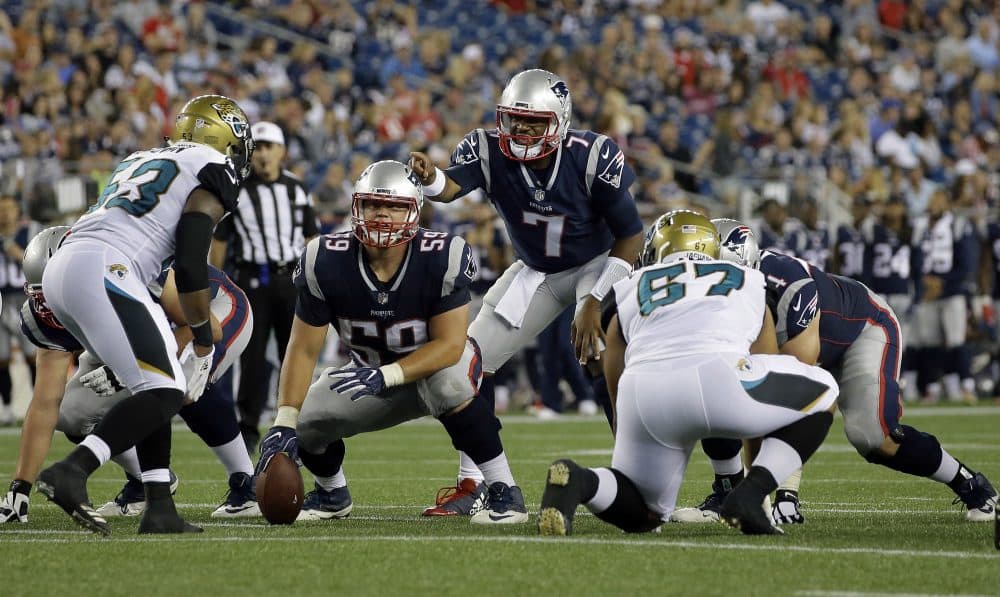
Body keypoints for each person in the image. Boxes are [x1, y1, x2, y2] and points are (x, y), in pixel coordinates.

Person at [408, 68, 643, 515]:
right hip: (535, 271)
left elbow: (631, 235)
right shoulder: (490, 149)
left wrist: (594, 301)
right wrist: (431, 176)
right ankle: (475, 482)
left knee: (601, 358)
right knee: (466, 364)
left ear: (560, 120)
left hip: (596, 265)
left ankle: (634, 475)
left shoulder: (590, 156)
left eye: (534, 121)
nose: (521, 130)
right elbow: (452, 187)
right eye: (515, 119)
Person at [255, 160, 529, 524]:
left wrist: (389, 374)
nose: (382, 215)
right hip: (369, 375)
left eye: (395, 207)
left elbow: (450, 345)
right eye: (372, 204)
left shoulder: (440, 255)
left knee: (449, 380)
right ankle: (331, 493)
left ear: (414, 211)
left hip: (434, 369)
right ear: (356, 207)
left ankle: (504, 490)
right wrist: (284, 421)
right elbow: (303, 348)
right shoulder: (324, 259)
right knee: (305, 417)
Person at [673, 219, 997, 525]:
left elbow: (791, 392)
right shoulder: (733, 293)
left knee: (874, 438)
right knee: (718, 382)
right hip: (808, 346)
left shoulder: (787, 286)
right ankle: (725, 495)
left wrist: (784, 493)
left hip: (862, 330)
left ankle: (973, 486)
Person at [536, 210, 839, 536]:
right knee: (825, 390)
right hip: (721, 380)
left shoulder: (628, 286)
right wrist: (756, 487)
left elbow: (615, 376)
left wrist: (631, 439)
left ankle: (580, 481)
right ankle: (747, 497)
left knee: (645, 512)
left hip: (645, 392)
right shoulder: (748, 278)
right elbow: (763, 364)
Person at [31, 94, 253, 535]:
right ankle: (73, 471)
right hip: (107, 267)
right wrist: (204, 338)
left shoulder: (144, 155)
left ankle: (159, 507)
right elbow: (191, 263)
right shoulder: (213, 167)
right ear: (226, 139)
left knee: (153, 383)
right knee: (167, 390)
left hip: (64, 265)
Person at [0, 227, 257, 522]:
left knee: (182, 385)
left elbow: (201, 329)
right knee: (71, 413)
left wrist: (128, 369)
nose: (54, 304)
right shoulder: (42, 316)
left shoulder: (131, 274)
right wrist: (20, 487)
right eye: (46, 295)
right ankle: (143, 481)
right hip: (126, 329)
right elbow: (46, 403)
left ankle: (245, 482)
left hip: (209, 313)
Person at [210, 121, 319, 452]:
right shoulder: (238, 189)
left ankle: (295, 421)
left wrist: (316, 280)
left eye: (271, 146)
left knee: (295, 352)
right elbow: (220, 241)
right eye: (259, 147)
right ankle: (249, 426)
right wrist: (213, 283)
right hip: (251, 281)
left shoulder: (296, 189)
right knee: (253, 357)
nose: (264, 153)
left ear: (282, 151)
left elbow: (311, 236)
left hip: (290, 280)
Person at [0, 195, 38, 425]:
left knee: (32, 356)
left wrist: (15, 251)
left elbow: (37, 261)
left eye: (9, 208)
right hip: (1, 298)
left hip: (25, 299)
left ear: (17, 210)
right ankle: (5, 409)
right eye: (1, 209)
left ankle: (36, 406)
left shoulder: (29, 231)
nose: (5, 214)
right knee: (2, 358)